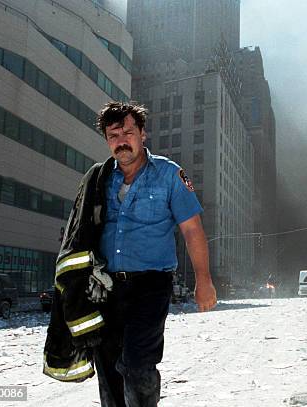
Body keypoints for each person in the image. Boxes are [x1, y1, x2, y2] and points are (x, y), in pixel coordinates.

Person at [94, 101, 217, 406]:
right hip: (107, 286)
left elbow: (192, 230)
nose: (122, 140)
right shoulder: (100, 179)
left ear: (143, 134)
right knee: (108, 365)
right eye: (113, 135)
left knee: (137, 362)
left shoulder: (169, 174)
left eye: (128, 132)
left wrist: (204, 280)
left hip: (150, 285)